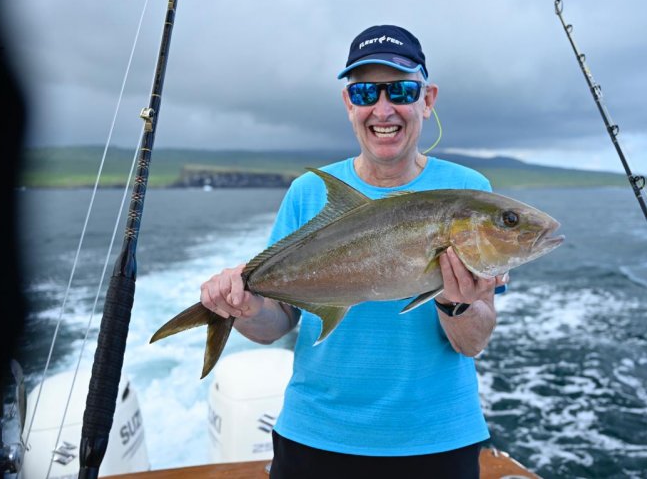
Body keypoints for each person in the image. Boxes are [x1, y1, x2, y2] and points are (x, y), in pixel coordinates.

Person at [199, 25, 508, 478]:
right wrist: (244, 308)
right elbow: (275, 325)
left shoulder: (469, 191)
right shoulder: (308, 193)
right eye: (365, 92)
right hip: (316, 435)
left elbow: (473, 342)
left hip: (437, 439)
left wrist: (456, 300)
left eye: (401, 89)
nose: (383, 109)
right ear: (349, 103)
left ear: (427, 98)